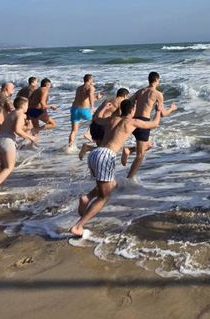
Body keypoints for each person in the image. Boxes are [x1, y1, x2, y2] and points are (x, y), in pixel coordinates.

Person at [69, 101, 162, 239]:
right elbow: (154, 124)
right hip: (106, 156)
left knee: (110, 184)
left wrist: (104, 107)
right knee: (104, 197)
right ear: (131, 111)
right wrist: (158, 110)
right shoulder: (132, 122)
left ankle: (86, 198)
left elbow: (96, 118)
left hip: (95, 153)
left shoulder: (112, 119)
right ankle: (78, 227)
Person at [0, 96, 39, 197]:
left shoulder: (11, 114)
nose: (28, 107)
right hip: (6, 141)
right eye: (27, 105)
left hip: (0, 139)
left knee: (3, 166)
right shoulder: (21, 114)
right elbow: (18, 130)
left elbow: (8, 128)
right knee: (9, 168)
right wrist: (30, 137)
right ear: (22, 106)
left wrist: (14, 138)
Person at [125, 72, 178, 179]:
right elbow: (162, 114)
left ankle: (129, 150)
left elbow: (128, 102)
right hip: (144, 123)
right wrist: (172, 109)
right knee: (140, 155)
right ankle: (129, 179)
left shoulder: (140, 91)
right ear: (156, 80)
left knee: (148, 145)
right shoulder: (158, 94)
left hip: (134, 121)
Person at [79, 88, 129, 162]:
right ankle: (88, 148)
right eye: (127, 96)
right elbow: (120, 116)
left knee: (101, 149)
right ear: (125, 95)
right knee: (107, 149)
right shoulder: (121, 102)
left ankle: (93, 158)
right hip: (102, 126)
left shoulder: (108, 100)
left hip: (94, 125)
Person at [67, 74, 103, 150]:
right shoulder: (91, 87)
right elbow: (90, 97)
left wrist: (96, 97)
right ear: (89, 80)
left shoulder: (79, 88)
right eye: (92, 80)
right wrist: (92, 107)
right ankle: (87, 133)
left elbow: (83, 99)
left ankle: (69, 148)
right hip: (83, 109)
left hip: (74, 109)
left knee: (73, 130)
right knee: (95, 120)